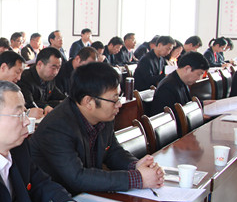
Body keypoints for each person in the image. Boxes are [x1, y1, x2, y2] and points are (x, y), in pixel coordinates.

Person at [30, 62, 165, 194]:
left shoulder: (104, 116)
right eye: (114, 100)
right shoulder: (57, 127)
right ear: (88, 102)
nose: (119, 104)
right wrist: (137, 178)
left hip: (88, 195)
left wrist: (135, 165)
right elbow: (77, 177)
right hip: (60, 201)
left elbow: (112, 151)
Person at [18, 47, 65, 114]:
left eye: (58, 68)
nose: (56, 72)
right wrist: (46, 105)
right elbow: (29, 103)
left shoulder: (49, 78)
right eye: (53, 68)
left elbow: (58, 95)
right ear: (40, 64)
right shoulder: (24, 78)